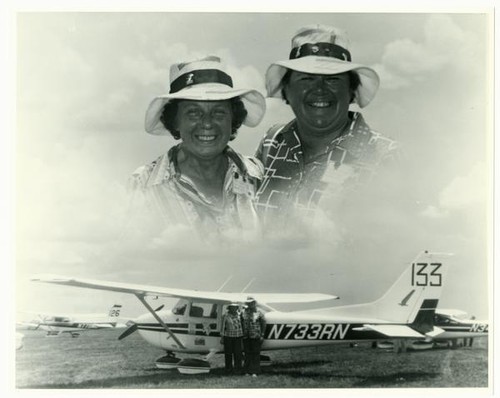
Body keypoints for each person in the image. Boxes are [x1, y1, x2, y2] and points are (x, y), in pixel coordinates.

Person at [255, 25, 398, 228]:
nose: (319, 89)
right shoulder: (272, 140)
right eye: (306, 79)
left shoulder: (385, 155)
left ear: (351, 90)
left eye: (332, 79)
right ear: (287, 90)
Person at [129, 56, 266, 240]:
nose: (207, 124)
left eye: (218, 112)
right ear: (175, 120)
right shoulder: (143, 185)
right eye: (193, 112)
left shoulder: (257, 175)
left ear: (232, 119)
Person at [241, 297, 266, 377]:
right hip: (246, 336)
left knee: (255, 354)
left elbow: (263, 323)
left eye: (251, 303)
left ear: (254, 303)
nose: (250, 304)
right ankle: (247, 371)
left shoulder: (259, 312)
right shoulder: (243, 312)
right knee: (247, 354)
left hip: (256, 336)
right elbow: (241, 323)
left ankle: (255, 371)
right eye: (248, 303)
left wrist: (262, 334)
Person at [220, 303, 244, 374]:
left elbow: (242, 325)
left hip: (238, 336)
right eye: (232, 307)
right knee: (228, 354)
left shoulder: (240, 315)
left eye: (235, 307)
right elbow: (222, 327)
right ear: (229, 308)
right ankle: (228, 369)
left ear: (237, 308)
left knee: (238, 353)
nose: (234, 308)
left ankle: (238, 369)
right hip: (228, 337)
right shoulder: (225, 316)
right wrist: (222, 337)